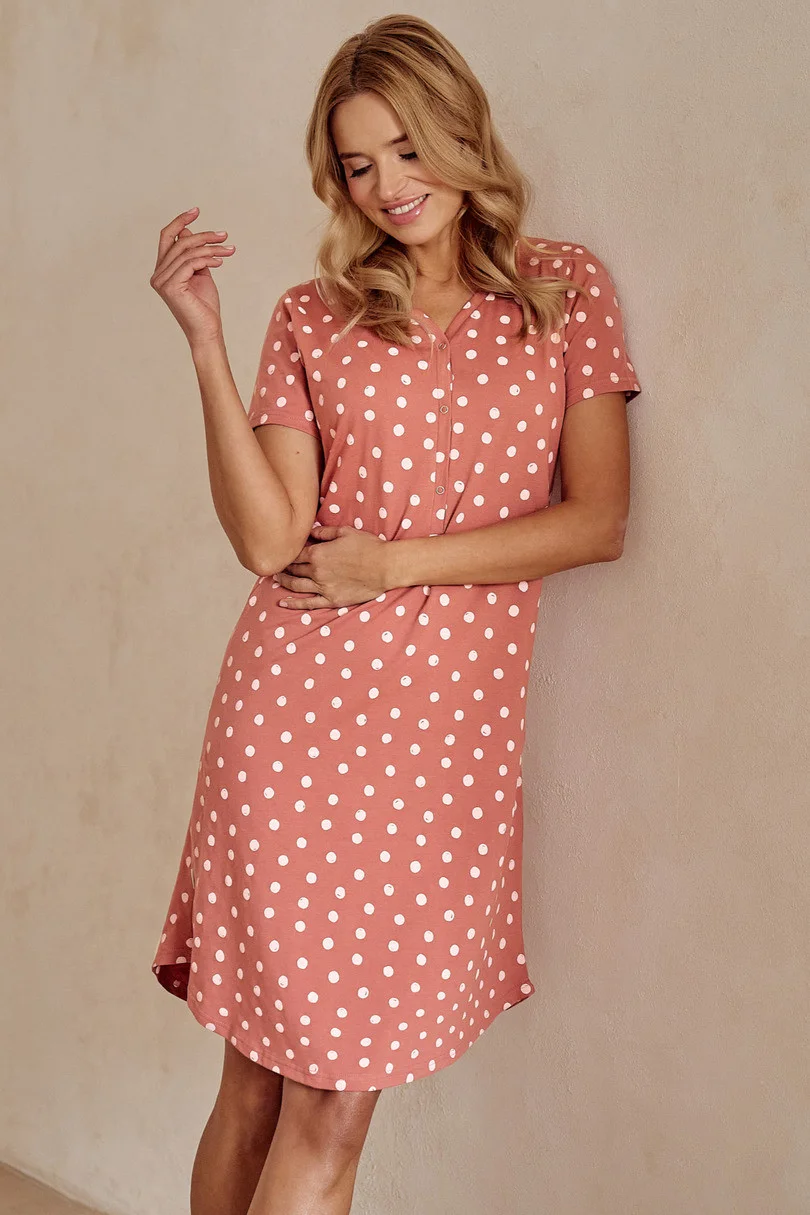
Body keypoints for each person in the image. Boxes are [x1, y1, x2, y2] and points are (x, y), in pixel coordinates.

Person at [148, 14, 642, 1215]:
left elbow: (598, 520)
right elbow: (270, 541)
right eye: (359, 164)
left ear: (460, 133)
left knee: (330, 1098)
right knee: (259, 1085)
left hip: (441, 754)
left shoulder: (564, 290)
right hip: (292, 723)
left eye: (407, 149)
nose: (388, 186)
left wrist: (397, 565)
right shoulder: (311, 316)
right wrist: (206, 347)